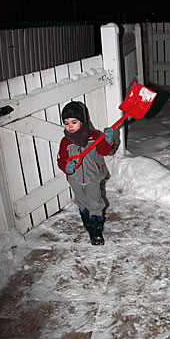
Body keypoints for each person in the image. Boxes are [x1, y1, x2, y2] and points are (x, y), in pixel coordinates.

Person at [57, 101, 114, 245]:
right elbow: (60, 160)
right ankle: (87, 224)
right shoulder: (65, 142)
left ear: (82, 121)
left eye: (74, 122)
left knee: (95, 203)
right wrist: (67, 167)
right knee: (82, 202)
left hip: (92, 177)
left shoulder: (93, 136)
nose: (70, 126)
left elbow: (104, 151)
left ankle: (96, 232)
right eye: (66, 123)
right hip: (75, 179)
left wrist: (108, 140)